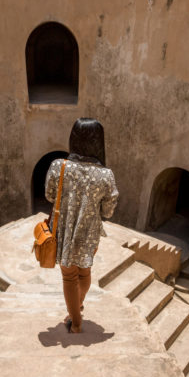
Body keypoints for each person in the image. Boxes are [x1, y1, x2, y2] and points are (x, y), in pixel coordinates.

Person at [44, 118, 119, 333]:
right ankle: (78, 306)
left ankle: (75, 323)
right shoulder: (106, 175)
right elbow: (108, 211)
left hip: (64, 230)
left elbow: (49, 195)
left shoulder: (59, 166)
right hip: (90, 233)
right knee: (84, 272)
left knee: (69, 275)